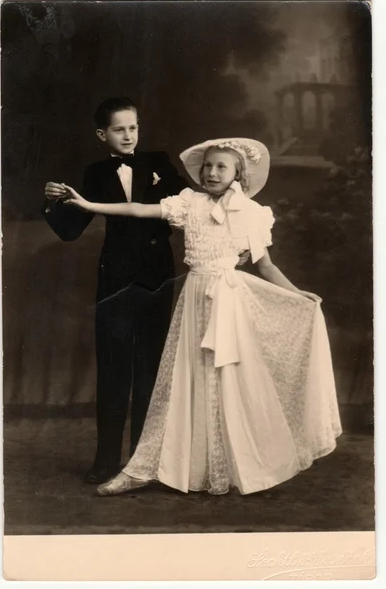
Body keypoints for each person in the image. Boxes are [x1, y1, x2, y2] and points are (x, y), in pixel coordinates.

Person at [63, 137, 342, 496]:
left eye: (221, 167)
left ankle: (242, 464)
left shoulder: (253, 214)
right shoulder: (189, 203)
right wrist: (87, 203)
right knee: (187, 377)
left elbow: (266, 266)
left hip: (230, 301)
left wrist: (297, 293)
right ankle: (160, 467)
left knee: (232, 379)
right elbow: (137, 210)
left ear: (238, 173)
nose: (211, 172)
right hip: (194, 299)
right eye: (207, 166)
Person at [42, 97, 189, 484]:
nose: (128, 135)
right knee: (113, 368)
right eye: (119, 129)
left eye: (133, 127)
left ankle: (144, 463)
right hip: (115, 280)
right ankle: (106, 461)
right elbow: (70, 231)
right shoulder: (94, 174)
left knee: (150, 371)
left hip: (159, 277)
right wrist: (51, 203)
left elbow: (193, 207)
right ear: (101, 134)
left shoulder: (160, 163)